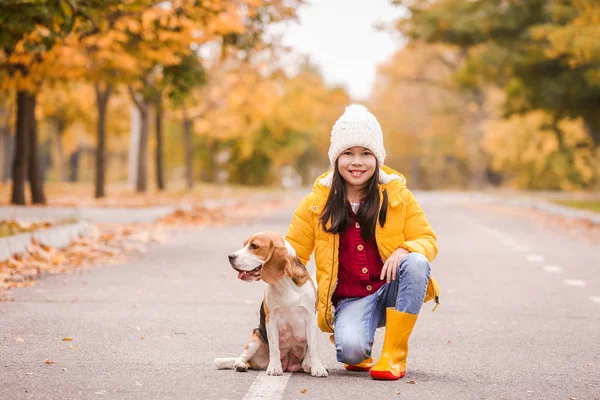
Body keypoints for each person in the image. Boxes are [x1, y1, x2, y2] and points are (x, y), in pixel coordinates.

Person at [285, 104, 440, 380]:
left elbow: (426, 239)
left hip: (391, 289)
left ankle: (394, 356)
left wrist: (405, 248)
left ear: (377, 158)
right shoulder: (316, 203)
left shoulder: (397, 195)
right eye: (348, 153)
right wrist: (278, 305)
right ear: (336, 158)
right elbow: (293, 255)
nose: (357, 162)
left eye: (366, 153)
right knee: (351, 353)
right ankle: (355, 340)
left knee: (416, 261)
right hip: (350, 298)